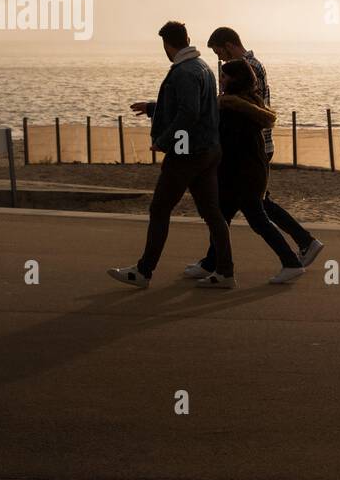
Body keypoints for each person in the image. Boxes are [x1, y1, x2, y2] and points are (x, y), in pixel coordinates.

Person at [185, 26, 323, 277]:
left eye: (219, 53)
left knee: (250, 207)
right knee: (243, 206)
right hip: (254, 146)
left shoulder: (244, 68)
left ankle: (298, 248)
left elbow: (247, 109)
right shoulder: (250, 64)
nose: (219, 60)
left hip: (250, 147)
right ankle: (214, 262)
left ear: (228, 45)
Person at [108, 21, 235, 289]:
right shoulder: (204, 68)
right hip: (210, 149)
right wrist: (153, 107)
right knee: (213, 213)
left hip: (187, 153)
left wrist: (164, 141)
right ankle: (225, 272)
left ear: (167, 45)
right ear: (187, 38)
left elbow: (188, 113)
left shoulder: (184, 72)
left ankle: (144, 271)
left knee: (160, 208)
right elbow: (194, 106)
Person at [198, 60, 307, 283]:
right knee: (222, 219)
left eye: (225, 76)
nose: (221, 80)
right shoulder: (250, 105)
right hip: (249, 172)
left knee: (256, 221)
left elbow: (226, 144)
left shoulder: (232, 109)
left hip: (240, 176)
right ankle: (216, 267)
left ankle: (290, 262)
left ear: (236, 79)